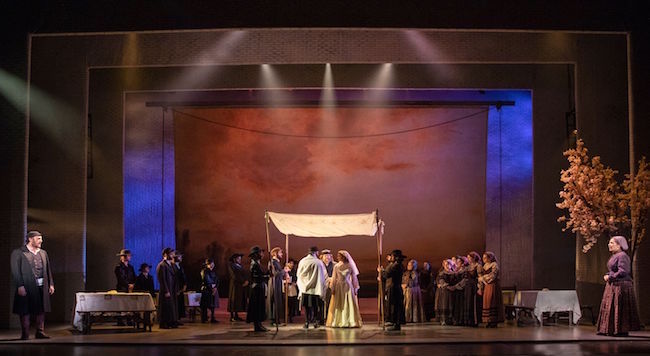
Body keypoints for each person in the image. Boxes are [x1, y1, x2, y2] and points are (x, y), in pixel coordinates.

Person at [11, 231, 55, 340]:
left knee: (41, 308)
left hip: (41, 286)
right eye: (38, 238)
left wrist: (51, 284)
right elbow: (16, 271)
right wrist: (20, 286)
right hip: (26, 286)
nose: (41, 241)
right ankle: (25, 333)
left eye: (41, 238)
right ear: (31, 239)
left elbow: (48, 269)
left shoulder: (43, 253)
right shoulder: (19, 252)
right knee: (25, 309)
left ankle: (40, 331)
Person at [596, 236, 641, 336]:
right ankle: (609, 329)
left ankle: (620, 330)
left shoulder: (622, 256)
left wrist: (610, 276)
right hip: (614, 284)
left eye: (612, 243)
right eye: (609, 243)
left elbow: (623, 271)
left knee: (618, 307)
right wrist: (608, 274)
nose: (609, 245)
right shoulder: (615, 256)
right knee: (611, 306)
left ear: (619, 245)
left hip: (621, 285)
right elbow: (614, 269)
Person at [326, 250, 362, 328]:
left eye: (340, 256)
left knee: (348, 303)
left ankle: (349, 320)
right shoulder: (336, 266)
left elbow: (354, 278)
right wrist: (333, 287)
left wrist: (355, 288)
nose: (338, 257)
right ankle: (338, 321)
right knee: (340, 303)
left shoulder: (350, 266)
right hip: (339, 286)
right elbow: (334, 277)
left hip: (347, 286)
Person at [297, 246, 328, 329]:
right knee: (315, 306)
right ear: (316, 252)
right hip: (315, 288)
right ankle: (314, 321)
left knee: (307, 307)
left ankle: (307, 322)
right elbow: (322, 276)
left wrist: (304, 284)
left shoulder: (302, 261)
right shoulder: (318, 262)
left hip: (305, 288)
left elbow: (299, 274)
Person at [379, 249, 406, 331]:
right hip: (393, 287)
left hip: (394, 288)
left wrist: (381, 271)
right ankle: (393, 322)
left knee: (395, 306)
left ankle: (396, 324)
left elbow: (387, 274)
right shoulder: (395, 265)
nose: (391, 257)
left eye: (392, 256)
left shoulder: (396, 266)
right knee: (392, 305)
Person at [246, 246, 270, 332]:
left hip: (259, 287)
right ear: (256, 254)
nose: (262, 254)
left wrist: (267, 273)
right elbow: (256, 276)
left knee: (259, 306)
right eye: (260, 253)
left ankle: (259, 324)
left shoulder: (257, 263)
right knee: (257, 307)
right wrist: (267, 276)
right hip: (256, 288)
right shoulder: (254, 264)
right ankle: (257, 325)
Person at [478, 251, 504, 328]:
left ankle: (494, 320)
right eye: (483, 258)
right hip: (487, 286)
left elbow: (492, 275)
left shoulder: (494, 265)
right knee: (487, 302)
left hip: (493, 285)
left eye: (485, 257)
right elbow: (481, 276)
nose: (484, 259)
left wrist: (483, 278)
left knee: (492, 301)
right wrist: (481, 280)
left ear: (490, 258)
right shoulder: (485, 266)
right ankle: (488, 320)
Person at [156, 247, 178, 329]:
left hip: (172, 288)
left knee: (171, 306)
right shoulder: (162, 265)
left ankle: (171, 322)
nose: (172, 255)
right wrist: (166, 290)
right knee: (165, 306)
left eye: (173, 254)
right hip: (166, 289)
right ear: (165, 255)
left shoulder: (172, 265)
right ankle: (163, 323)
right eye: (171, 254)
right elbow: (162, 279)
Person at [114, 249, 136, 326]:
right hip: (122, 288)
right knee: (121, 305)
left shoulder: (130, 267)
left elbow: (133, 276)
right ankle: (120, 321)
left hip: (130, 289)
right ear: (123, 257)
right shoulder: (118, 267)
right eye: (128, 255)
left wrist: (133, 284)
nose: (129, 257)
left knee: (129, 305)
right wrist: (127, 285)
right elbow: (120, 278)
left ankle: (129, 320)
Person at [402, 259, 425, 323]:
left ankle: (411, 318)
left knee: (411, 304)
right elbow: (403, 279)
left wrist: (407, 284)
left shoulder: (414, 273)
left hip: (412, 290)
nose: (408, 266)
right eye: (408, 265)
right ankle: (406, 317)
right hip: (406, 290)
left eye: (410, 265)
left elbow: (414, 281)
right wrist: (402, 284)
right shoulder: (405, 273)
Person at [464, 252, 483, 327]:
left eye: (469, 257)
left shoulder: (478, 266)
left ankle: (475, 321)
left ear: (474, 258)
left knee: (474, 303)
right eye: (467, 257)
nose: (468, 259)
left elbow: (480, 278)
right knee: (468, 303)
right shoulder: (468, 267)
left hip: (474, 286)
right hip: (468, 286)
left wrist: (480, 288)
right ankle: (469, 320)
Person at [228, 253, 248, 322]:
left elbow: (243, 274)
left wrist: (246, 281)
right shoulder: (231, 266)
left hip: (240, 286)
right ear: (234, 259)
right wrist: (243, 281)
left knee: (238, 300)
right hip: (235, 285)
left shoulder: (240, 266)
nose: (240, 260)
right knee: (233, 299)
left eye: (240, 259)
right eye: (238, 259)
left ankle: (236, 315)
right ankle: (232, 316)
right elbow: (234, 275)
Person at [268, 247, 286, 325]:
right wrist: (283, 271)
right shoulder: (273, 262)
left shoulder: (277, 262)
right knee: (274, 300)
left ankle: (277, 319)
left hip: (278, 283)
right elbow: (275, 273)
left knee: (278, 300)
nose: (282, 254)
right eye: (280, 253)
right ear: (275, 253)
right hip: (274, 283)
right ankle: (274, 320)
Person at [449, 256, 468, 326]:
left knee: (461, 305)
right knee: (456, 305)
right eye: (456, 262)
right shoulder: (456, 270)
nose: (457, 263)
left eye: (459, 262)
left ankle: (461, 320)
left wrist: (455, 286)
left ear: (463, 263)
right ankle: (456, 320)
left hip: (461, 290)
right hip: (456, 290)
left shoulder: (465, 270)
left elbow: (465, 280)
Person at [434, 259, 454, 325]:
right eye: (445, 264)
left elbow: (454, 281)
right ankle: (442, 320)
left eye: (448, 264)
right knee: (442, 304)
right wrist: (440, 284)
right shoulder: (441, 272)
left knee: (448, 304)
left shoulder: (453, 273)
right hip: (442, 290)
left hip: (450, 290)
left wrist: (449, 285)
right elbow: (438, 280)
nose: (446, 266)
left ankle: (449, 320)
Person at [200, 258, 219, 323]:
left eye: (213, 263)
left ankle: (212, 318)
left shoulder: (213, 271)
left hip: (213, 289)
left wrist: (215, 287)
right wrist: (212, 287)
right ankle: (204, 318)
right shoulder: (204, 271)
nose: (212, 265)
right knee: (205, 305)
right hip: (206, 290)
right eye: (210, 264)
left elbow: (217, 280)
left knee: (212, 304)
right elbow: (206, 280)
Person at [320, 249, 334, 324]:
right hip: (321, 285)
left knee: (330, 302)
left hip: (331, 285)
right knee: (321, 303)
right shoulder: (319, 265)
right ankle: (321, 319)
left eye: (328, 256)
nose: (327, 258)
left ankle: (329, 318)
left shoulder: (334, 264)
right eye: (325, 256)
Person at [174, 252, 187, 324]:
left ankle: (178, 318)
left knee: (180, 304)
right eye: (179, 257)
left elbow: (183, 277)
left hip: (181, 288)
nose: (181, 258)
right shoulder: (173, 266)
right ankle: (175, 318)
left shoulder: (180, 266)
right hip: (176, 288)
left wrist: (185, 284)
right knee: (176, 304)